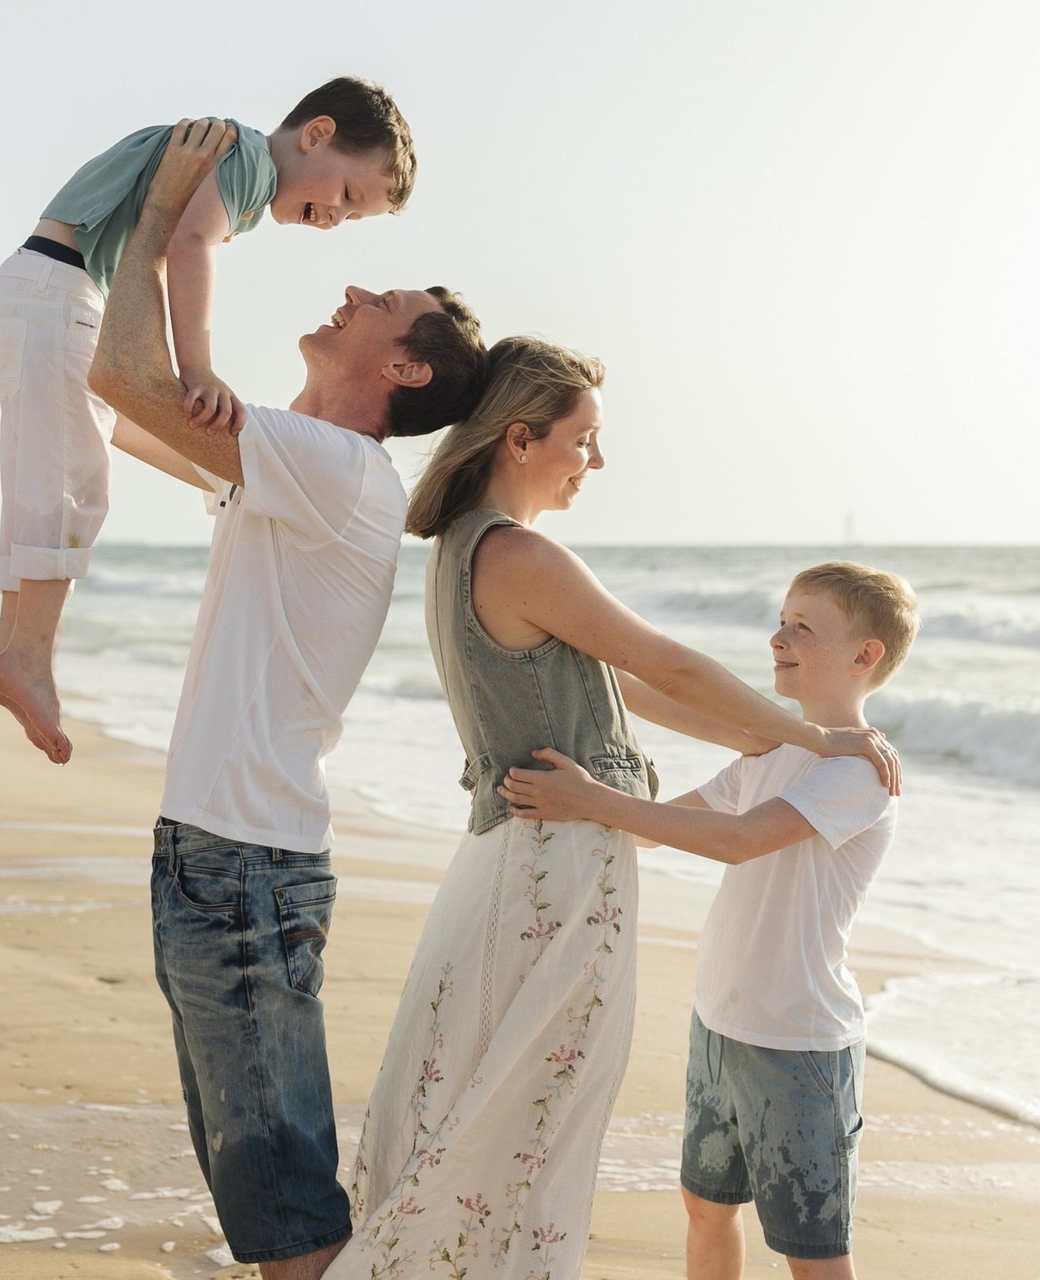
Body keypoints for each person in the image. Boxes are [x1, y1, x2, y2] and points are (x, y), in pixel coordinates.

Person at [324, 339, 901, 1280]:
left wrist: (775, 739)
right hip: (556, 866)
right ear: (521, 439)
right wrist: (817, 739)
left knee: (478, 1086)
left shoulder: (465, 547)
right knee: (530, 1103)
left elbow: (625, 690)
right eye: (585, 439)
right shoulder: (519, 553)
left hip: (518, 852)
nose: (597, 462)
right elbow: (661, 664)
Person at [86, 120, 487, 1280]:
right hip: (214, 853)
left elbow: (126, 379)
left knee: (288, 1210)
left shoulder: (341, 470)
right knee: (259, 1192)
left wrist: (165, 215)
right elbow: (124, 413)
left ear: (402, 369)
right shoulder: (297, 457)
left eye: (382, 299)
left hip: (242, 862)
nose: (352, 283)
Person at [0, 77, 418, 766]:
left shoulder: (237, 161)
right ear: (317, 134)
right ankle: (27, 656)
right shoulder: (243, 157)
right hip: (62, 288)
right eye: (349, 197)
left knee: (49, 465)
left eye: (352, 220)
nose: (335, 222)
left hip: (47, 283)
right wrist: (198, 368)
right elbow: (188, 245)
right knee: (70, 478)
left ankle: (14, 651)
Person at [499, 561, 920, 1280]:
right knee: (704, 1208)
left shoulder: (857, 771)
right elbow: (662, 825)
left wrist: (590, 799)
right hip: (720, 1025)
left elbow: (734, 840)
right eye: (782, 620)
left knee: (813, 1255)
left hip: (799, 1043)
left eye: (802, 628)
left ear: (866, 655)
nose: (777, 637)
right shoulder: (771, 749)